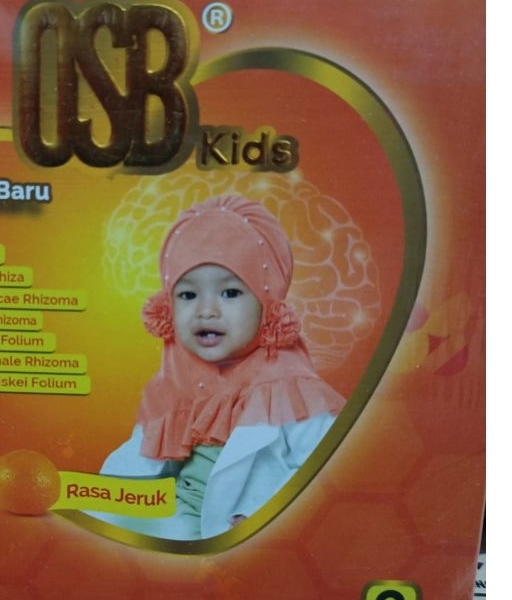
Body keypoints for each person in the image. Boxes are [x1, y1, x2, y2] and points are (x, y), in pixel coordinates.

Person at [97, 194, 345, 540]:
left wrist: (270, 514)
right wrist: (102, 497)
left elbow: (332, 468)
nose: (206, 311)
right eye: (188, 295)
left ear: (268, 302)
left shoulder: (293, 390)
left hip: (242, 531)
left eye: (230, 293)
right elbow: (139, 458)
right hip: (176, 515)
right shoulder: (178, 382)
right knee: (91, 525)